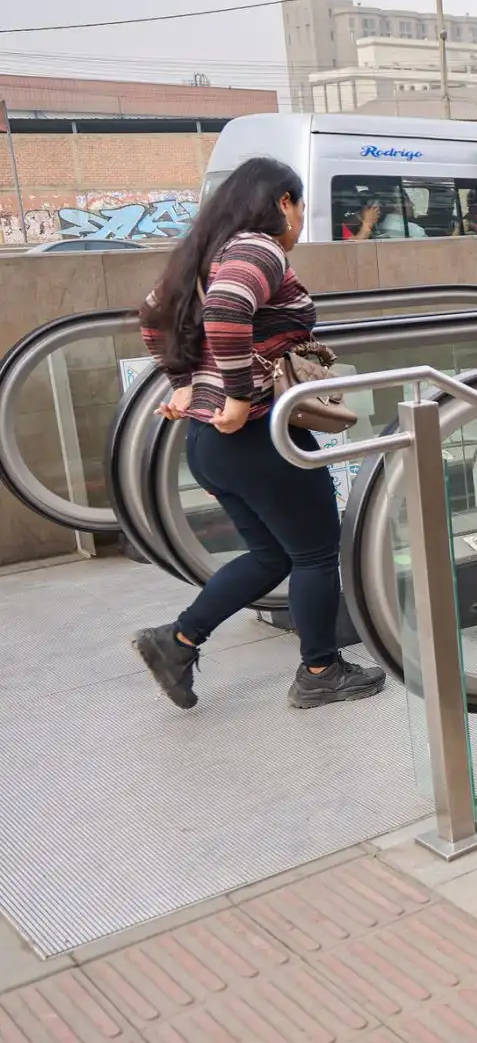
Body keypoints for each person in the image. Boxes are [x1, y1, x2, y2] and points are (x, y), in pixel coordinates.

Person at [132, 156, 386, 711]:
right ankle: (321, 669)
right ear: (282, 203)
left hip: (209, 444)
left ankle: (176, 642)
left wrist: (184, 382)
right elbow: (226, 309)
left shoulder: (204, 255)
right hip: (257, 434)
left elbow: (152, 316)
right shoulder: (257, 247)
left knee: (272, 556)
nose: (299, 221)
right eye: (299, 206)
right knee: (318, 552)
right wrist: (241, 396)